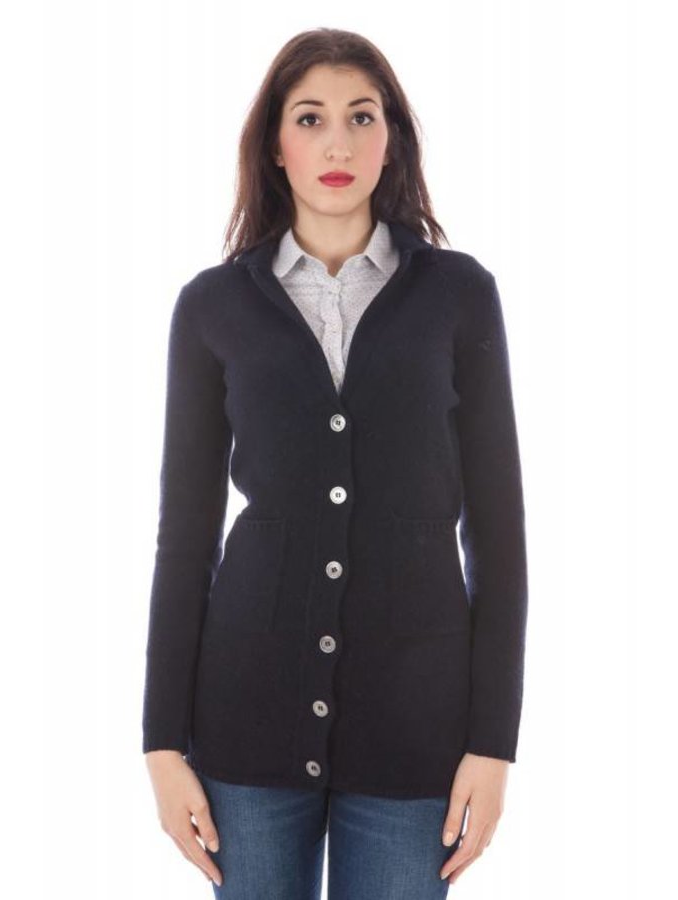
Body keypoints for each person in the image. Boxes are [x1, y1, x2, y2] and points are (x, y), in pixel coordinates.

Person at [142, 27, 529, 899]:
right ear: (275, 145)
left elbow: (499, 534)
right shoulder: (211, 307)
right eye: (310, 118)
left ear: (392, 138)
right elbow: (185, 537)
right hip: (243, 725)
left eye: (362, 116)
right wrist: (162, 742)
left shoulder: (460, 295)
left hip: (416, 735)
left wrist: (493, 742)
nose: (338, 144)